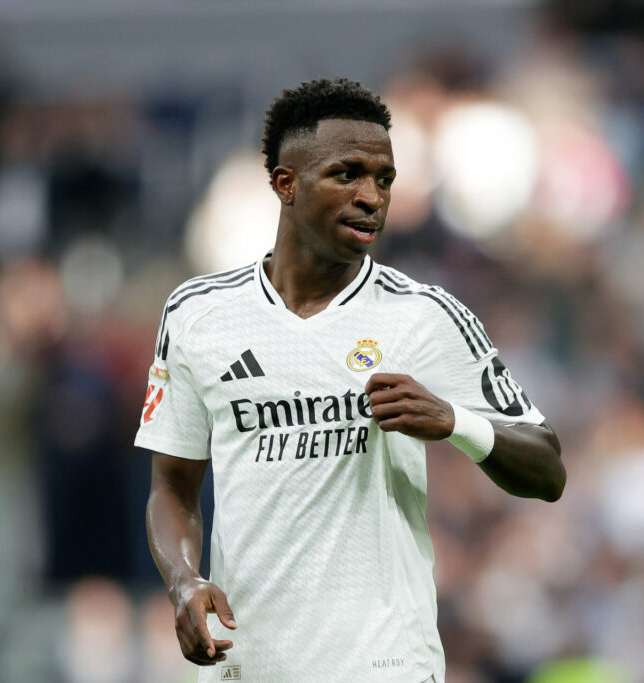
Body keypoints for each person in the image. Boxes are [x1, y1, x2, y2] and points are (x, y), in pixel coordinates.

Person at [137, 77, 565, 683]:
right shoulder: (198, 315)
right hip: (248, 666)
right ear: (286, 184)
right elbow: (172, 488)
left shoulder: (424, 315)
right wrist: (183, 582)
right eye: (348, 174)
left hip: (384, 666)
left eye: (385, 179)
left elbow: (548, 469)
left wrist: (456, 423)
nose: (373, 197)